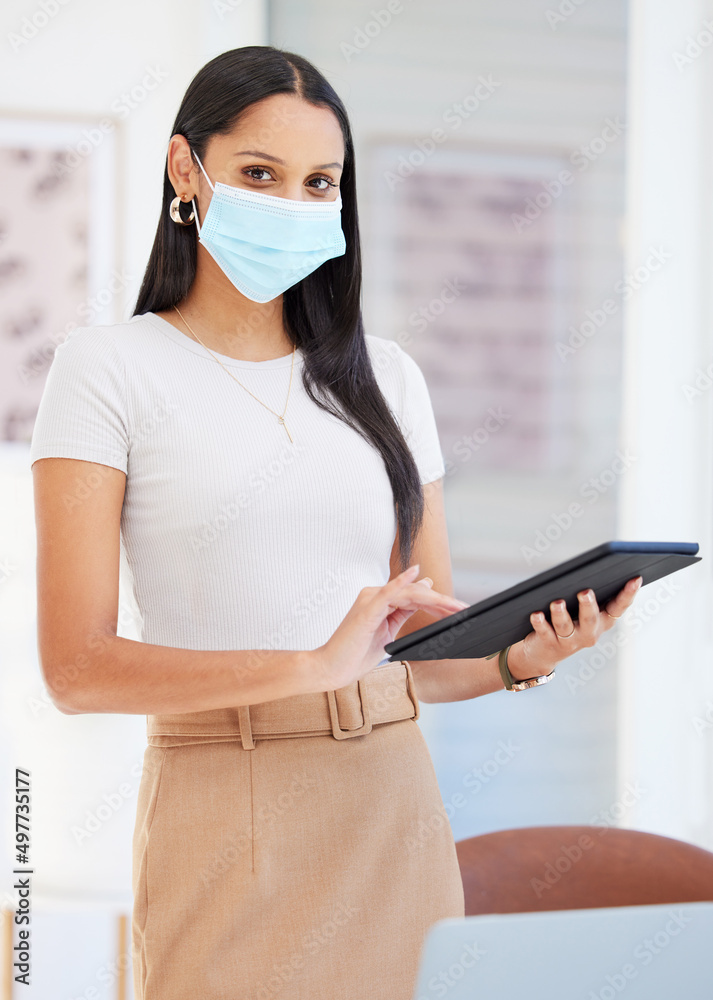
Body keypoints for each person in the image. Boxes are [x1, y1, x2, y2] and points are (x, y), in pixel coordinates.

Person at [29, 45, 642, 1000]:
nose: (295, 203)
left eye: (320, 183)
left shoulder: (387, 379)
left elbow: (422, 650)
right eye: (260, 175)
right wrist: (310, 666)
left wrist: (524, 657)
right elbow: (76, 669)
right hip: (223, 804)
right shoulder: (106, 369)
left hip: (389, 804)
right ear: (185, 170)